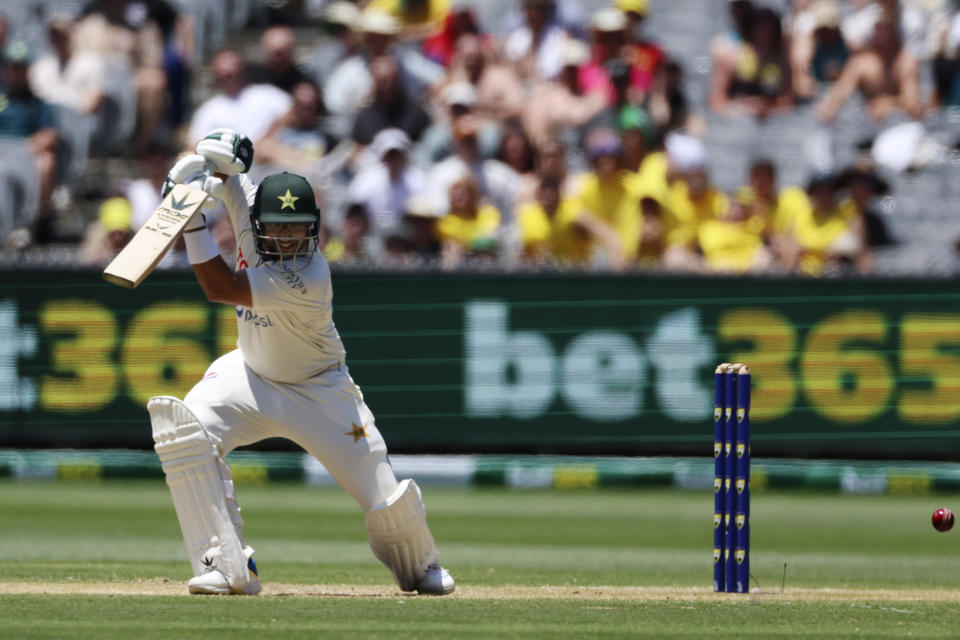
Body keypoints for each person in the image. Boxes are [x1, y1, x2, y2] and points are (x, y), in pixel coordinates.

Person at [148, 129, 455, 596]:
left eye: (296, 229)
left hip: (320, 392)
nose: (287, 238)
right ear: (260, 221)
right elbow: (234, 175)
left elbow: (219, 288)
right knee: (184, 430)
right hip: (249, 376)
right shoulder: (251, 212)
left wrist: (191, 223)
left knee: (387, 502)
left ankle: (421, 564)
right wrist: (200, 171)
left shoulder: (310, 275)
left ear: (313, 228)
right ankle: (226, 564)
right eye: (277, 227)